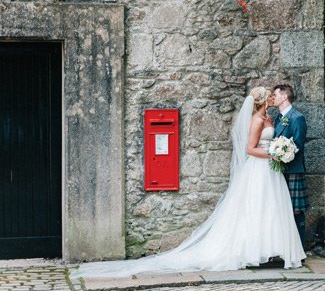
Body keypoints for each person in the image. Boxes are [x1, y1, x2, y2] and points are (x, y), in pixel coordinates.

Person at [71, 87, 305, 278]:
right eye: (270, 95)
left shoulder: (269, 117)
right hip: (260, 168)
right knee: (255, 209)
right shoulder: (256, 119)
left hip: (270, 171)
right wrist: (273, 154)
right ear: (264, 100)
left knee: (269, 210)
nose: (273, 97)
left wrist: (278, 152)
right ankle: (253, 252)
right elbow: (250, 149)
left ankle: (270, 252)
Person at [271, 84, 309, 247]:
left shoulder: (297, 117)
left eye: (275, 95)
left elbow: (298, 145)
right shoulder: (279, 118)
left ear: (284, 97)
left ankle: (299, 247)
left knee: (295, 210)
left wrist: (281, 154)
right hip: (279, 171)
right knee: (281, 209)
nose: (273, 98)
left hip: (293, 170)